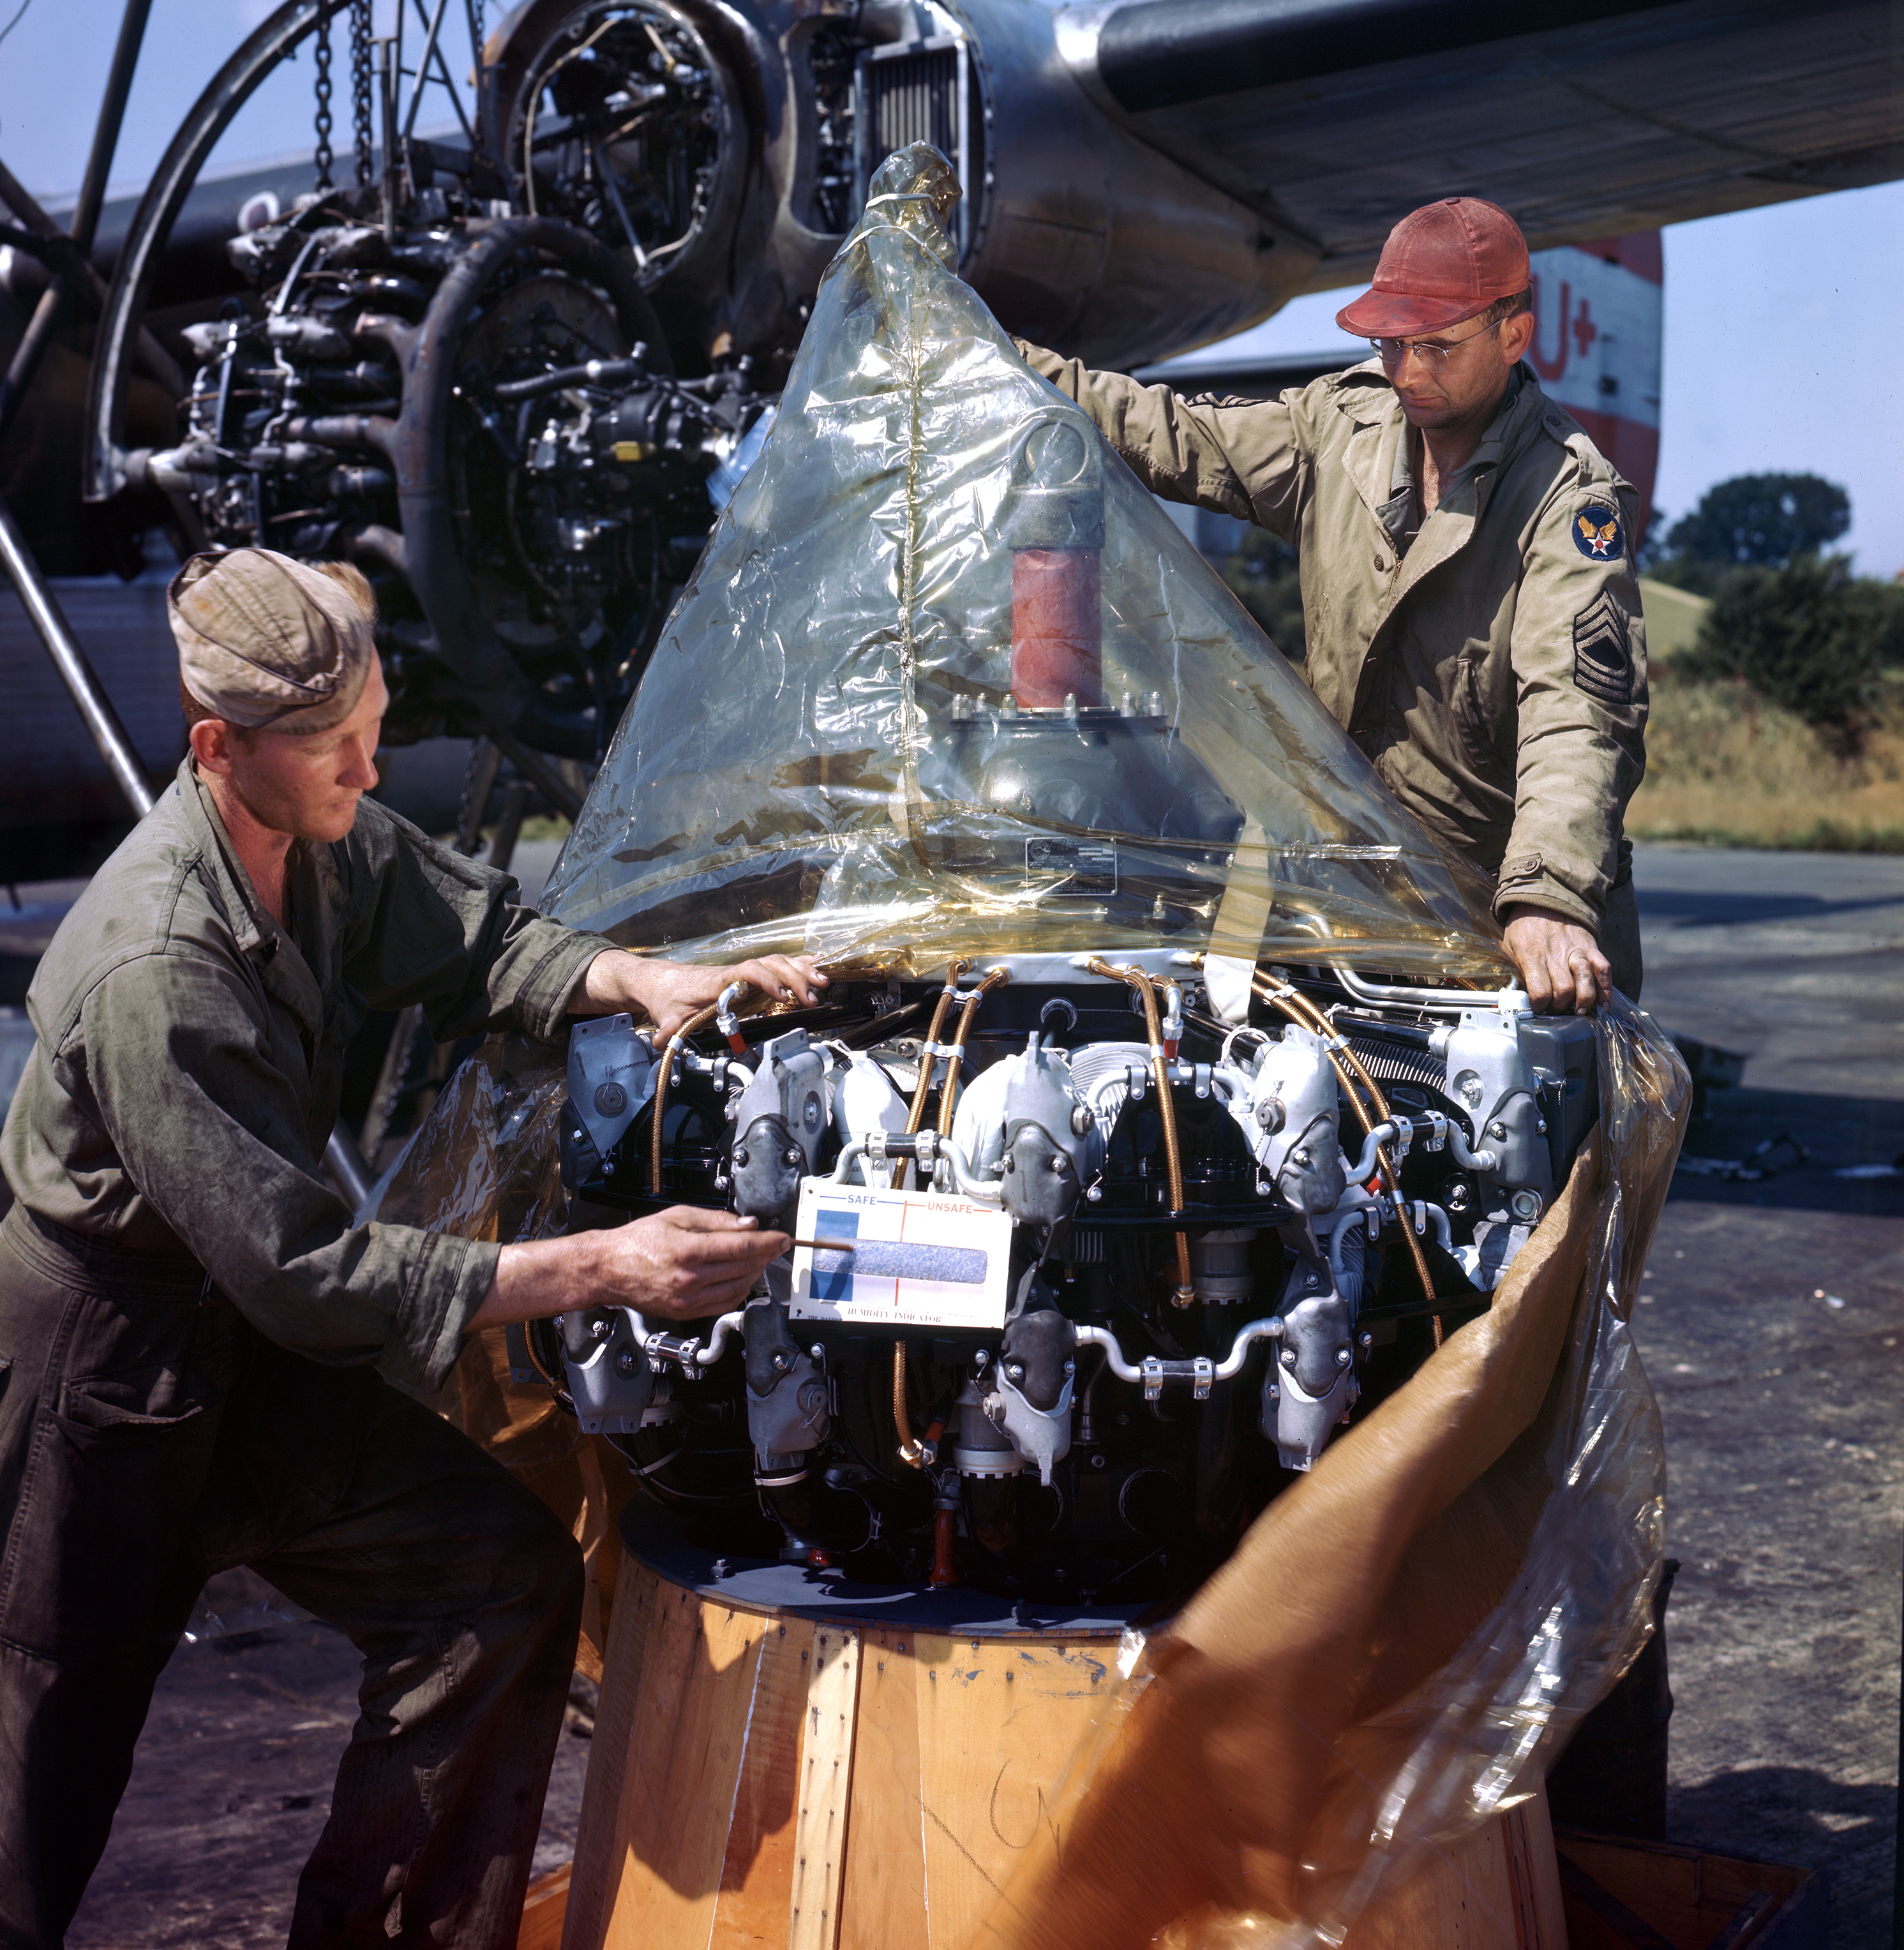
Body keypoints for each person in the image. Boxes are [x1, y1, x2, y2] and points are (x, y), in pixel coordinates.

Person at [0, 548, 818, 1950]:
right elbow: (308, 1276)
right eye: (334, 749)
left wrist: (639, 977)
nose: (368, 774)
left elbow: (471, 932)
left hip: (247, 1353)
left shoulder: (314, 832)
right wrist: (604, 1266)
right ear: (217, 747)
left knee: (493, 1583)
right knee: (37, 1777)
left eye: (374, 730)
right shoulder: (160, 966)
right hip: (103, 1384)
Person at [1015, 195, 1645, 1010]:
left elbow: (1577, 716)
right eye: (1390, 344)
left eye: (1436, 347)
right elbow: (1167, 432)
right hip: (1342, 905)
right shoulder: (1339, 427)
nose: (1406, 372)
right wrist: (997, 358)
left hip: (1495, 922)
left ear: (1513, 335)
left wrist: (1548, 897)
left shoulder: (1566, 498)